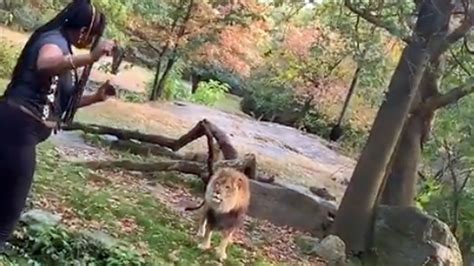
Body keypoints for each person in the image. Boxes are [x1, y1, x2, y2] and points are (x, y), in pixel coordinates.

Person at [0, 0, 116, 249]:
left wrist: (96, 97)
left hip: (17, 130)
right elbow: (46, 64)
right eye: (92, 37)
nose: (91, 41)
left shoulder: (63, 45)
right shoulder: (54, 41)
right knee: (8, 212)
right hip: (16, 130)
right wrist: (91, 58)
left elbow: (59, 104)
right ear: (84, 31)